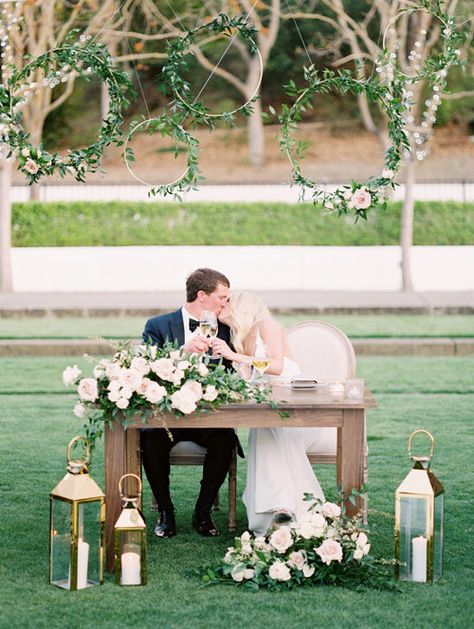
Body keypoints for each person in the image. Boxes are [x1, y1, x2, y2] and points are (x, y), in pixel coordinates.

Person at [210, 291, 325, 536]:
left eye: (227, 300)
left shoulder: (267, 325)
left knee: (266, 427)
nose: (221, 305)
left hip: (299, 411)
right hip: (269, 411)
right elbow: (250, 384)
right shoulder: (239, 338)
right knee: (262, 426)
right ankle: (282, 510)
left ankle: (281, 507)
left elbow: (276, 366)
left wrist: (234, 357)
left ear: (242, 306)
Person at [141, 267, 238, 538]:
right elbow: (145, 369)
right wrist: (182, 352)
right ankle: (166, 512)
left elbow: (233, 376)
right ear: (202, 295)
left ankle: (202, 512)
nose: (226, 304)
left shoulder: (226, 330)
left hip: (207, 414)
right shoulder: (157, 325)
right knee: (150, 438)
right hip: (167, 414)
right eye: (222, 297)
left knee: (226, 438)